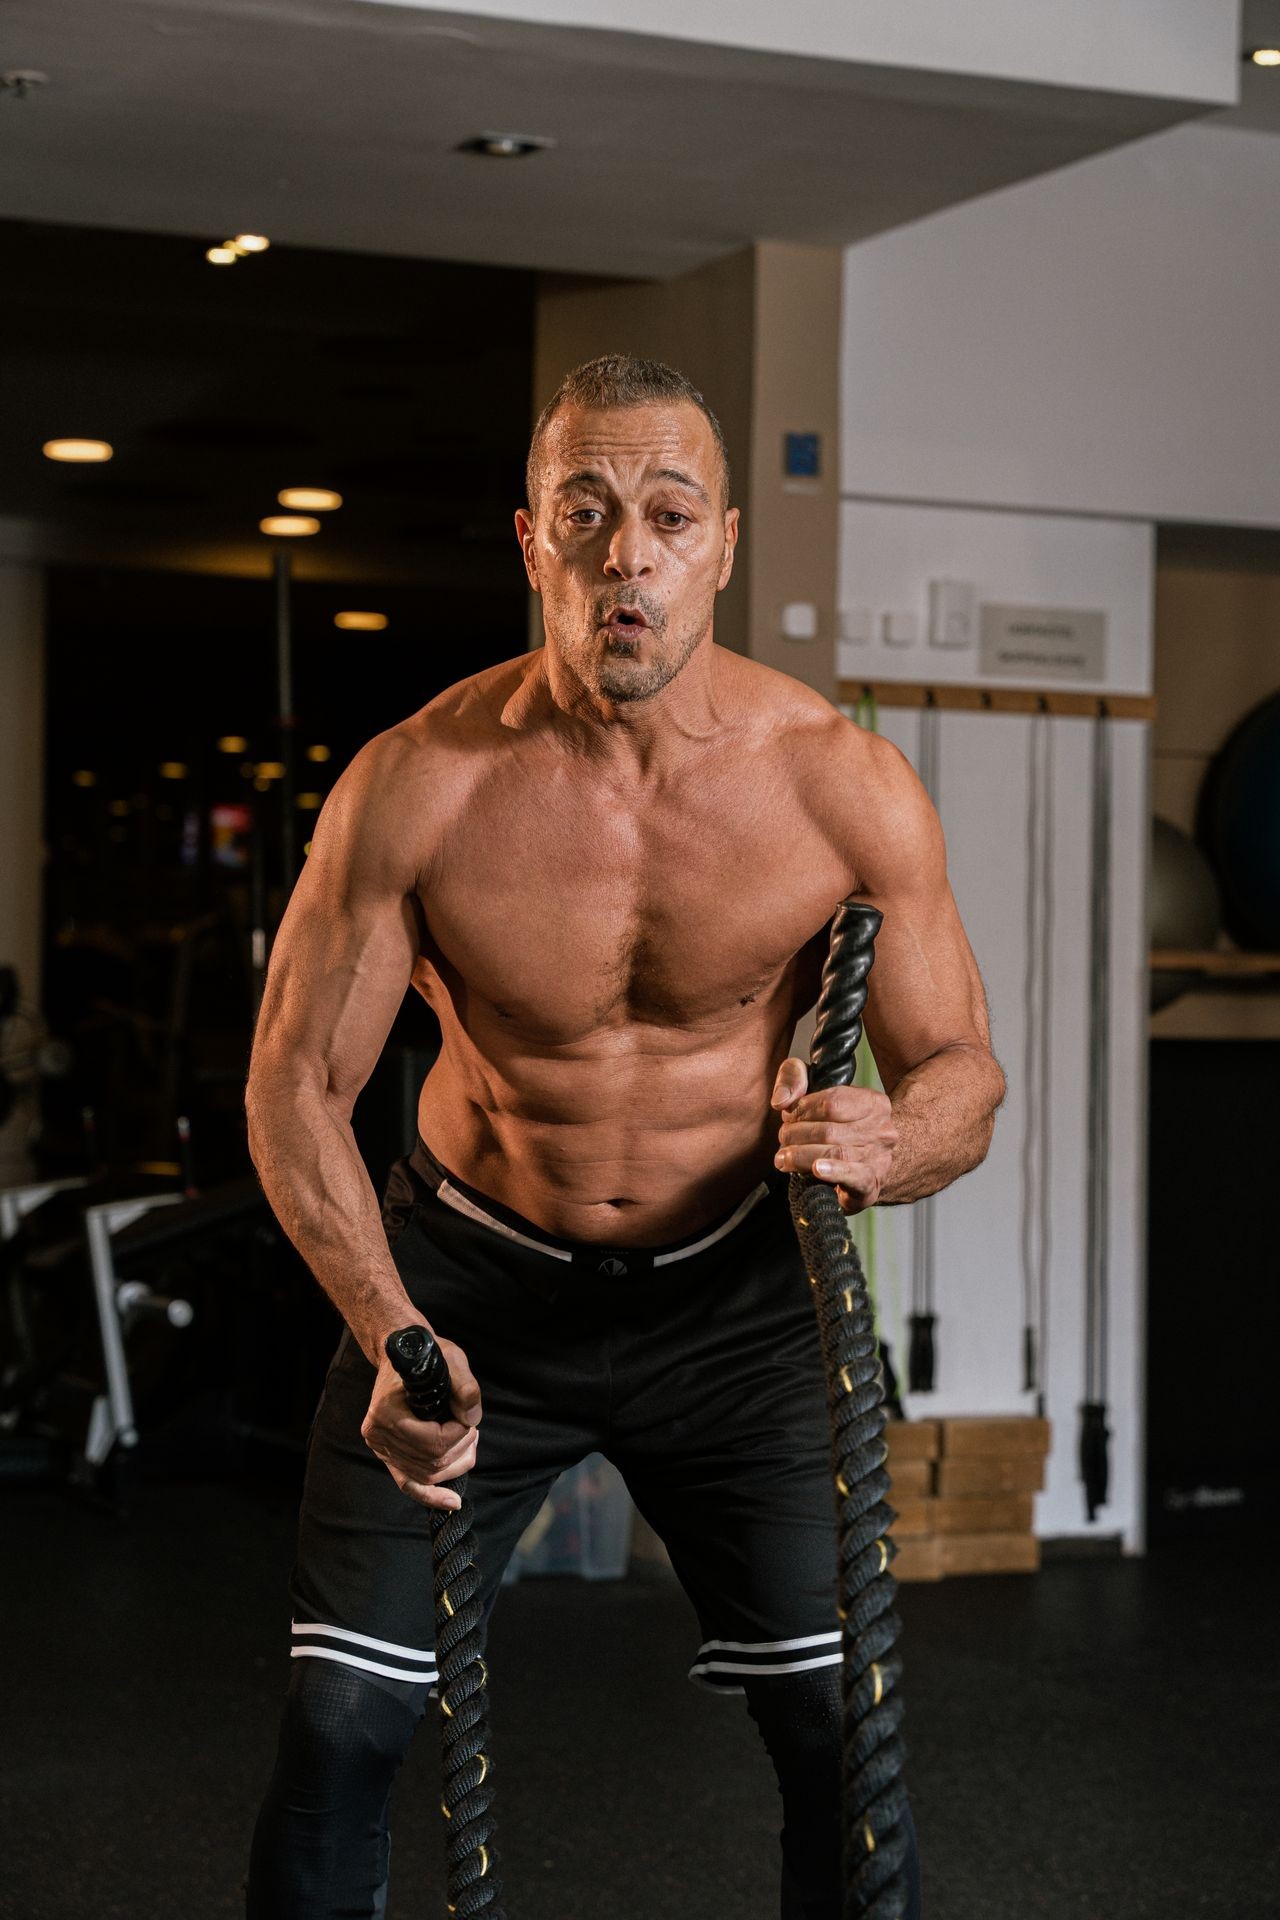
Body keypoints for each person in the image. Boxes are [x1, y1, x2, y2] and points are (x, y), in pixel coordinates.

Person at [243, 354, 1004, 1919]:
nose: (626, 553)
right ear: (531, 541)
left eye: (666, 514)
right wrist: (391, 1335)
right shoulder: (415, 788)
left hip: (733, 1313)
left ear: (722, 543)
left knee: (835, 1735)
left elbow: (964, 1072)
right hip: (464, 1295)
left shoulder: (842, 788)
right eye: (585, 513)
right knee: (340, 1725)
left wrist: (897, 1140)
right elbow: (294, 1088)